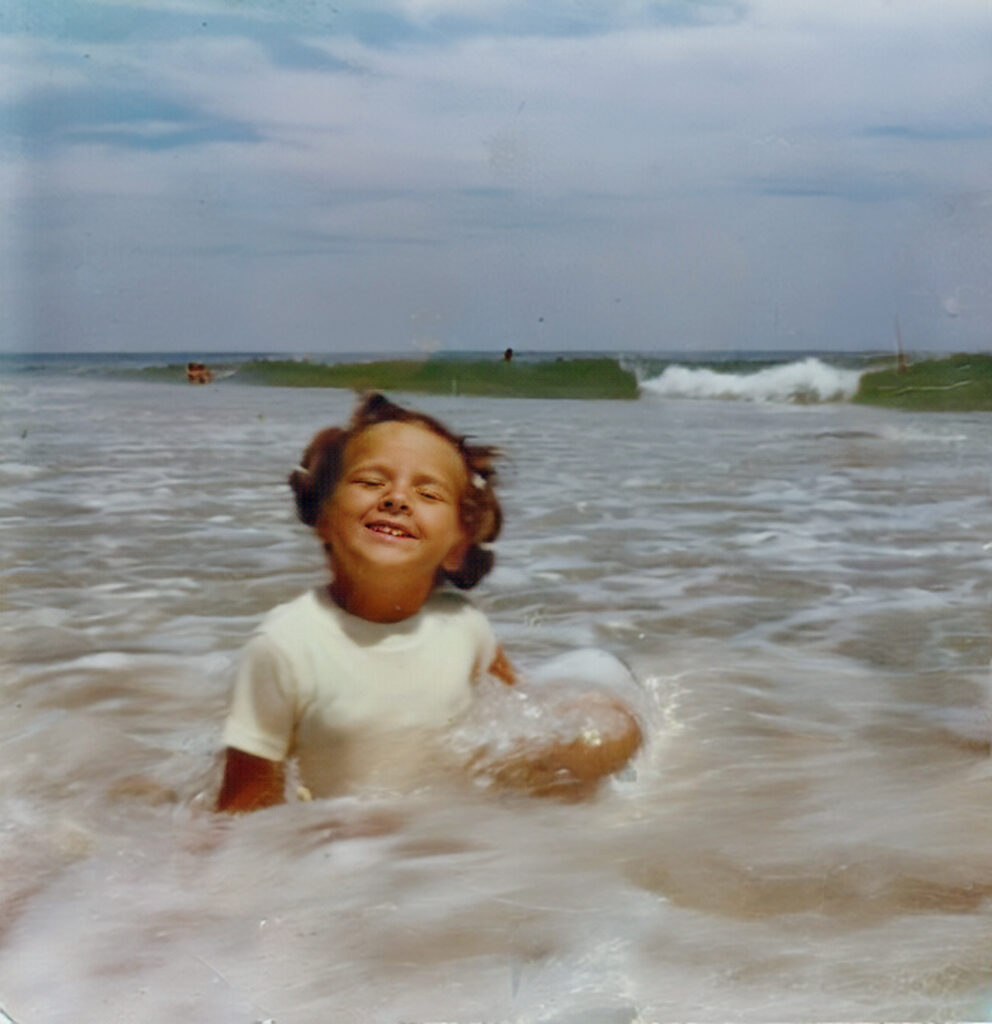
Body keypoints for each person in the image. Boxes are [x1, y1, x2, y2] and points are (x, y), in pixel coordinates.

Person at [217, 392, 641, 813]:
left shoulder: (463, 625)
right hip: (347, 855)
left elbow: (516, 715)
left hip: (444, 853)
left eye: (428, 493)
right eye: (371, 481)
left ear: (458, 545)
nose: (397, 498)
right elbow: (243, 811)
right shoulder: (285, 646)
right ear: (324, 517)